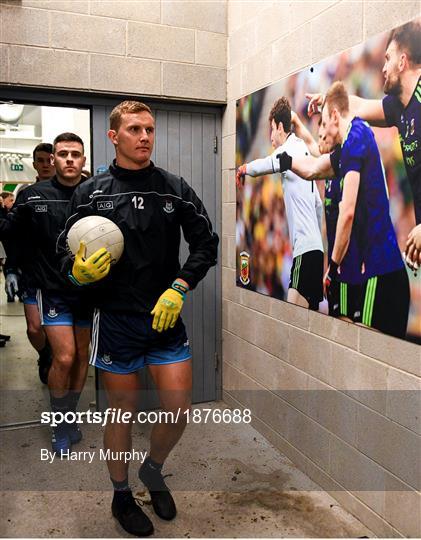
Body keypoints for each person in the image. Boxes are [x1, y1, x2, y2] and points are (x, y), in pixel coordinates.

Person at [58, 100, 219, 537]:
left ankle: (153, 469)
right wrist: (75, 271)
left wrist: (180, 286)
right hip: (115, 323)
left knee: (179, 408)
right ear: (114, 136)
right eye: (134, 129)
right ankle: (121, 494)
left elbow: (207, 244)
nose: (145, 136)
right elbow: (62, 253)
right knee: (122, 413)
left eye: (149, 128)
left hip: (165, 319)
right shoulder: (91, 192)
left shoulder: (173, 188)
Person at [277, 81, 410, 338]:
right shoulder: (345, 149)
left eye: (324, 122)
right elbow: (314, 165)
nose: (322, 131)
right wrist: (281, 160)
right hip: (370, 271)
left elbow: (347, 212)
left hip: (381, 270)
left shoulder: (357, 135)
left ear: (335, 116)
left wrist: (333, 267)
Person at [0, 133, 92, 451]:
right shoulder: (33, 195)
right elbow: (9, 234)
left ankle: (69, 416)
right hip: (51, 290)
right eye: (62, 153)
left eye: (75, 154)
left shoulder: (97, 195)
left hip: (88, 291)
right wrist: (13, 267)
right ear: (54, 159)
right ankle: (58, 423)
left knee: (82, 358)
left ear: (83, 160)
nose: (69, 158)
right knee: (64, 358)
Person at [307, 20, 421, 223]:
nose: (383, 68)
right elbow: (358, 107)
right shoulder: (397, 106)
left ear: (402, 62)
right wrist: (328, 99)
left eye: (388, 59)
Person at [236, 97, 324, 310]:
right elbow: (318, 205)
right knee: (305, 322)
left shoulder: (289, 151)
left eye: (271, 129)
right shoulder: (303, 148)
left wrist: (244, 168)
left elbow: (267, 164)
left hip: (304, 250)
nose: (270, 136)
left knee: (291, 316)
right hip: (316, 250)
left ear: (280, 127)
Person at [4, 143, 55, 383]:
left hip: (63, 275)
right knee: (35, 328)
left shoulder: (75, 190)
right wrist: (11, 269)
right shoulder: (26, 193)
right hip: (32, 271)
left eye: (49, 160)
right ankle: (45, 353)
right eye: (41, 160)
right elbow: (15, 235)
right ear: (34, 164)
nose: (46, 165)